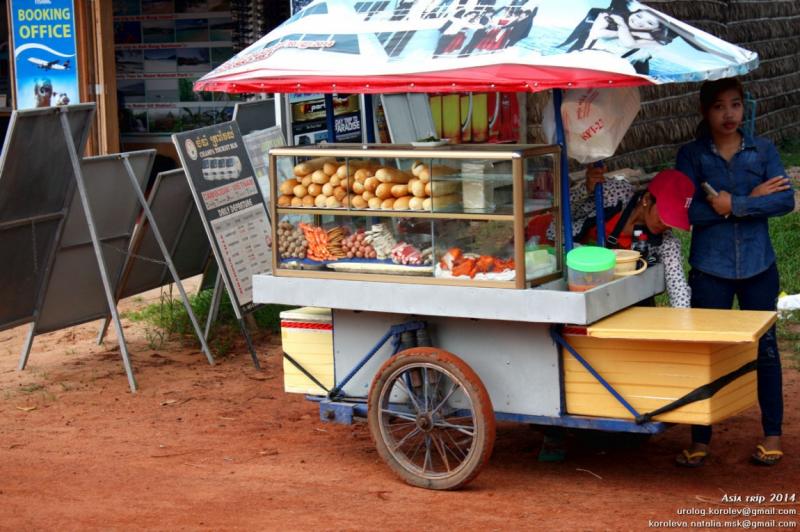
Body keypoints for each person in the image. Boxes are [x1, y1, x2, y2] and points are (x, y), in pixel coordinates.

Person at [674, 77, 795, 467]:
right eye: (719, 106)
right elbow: (686, 212)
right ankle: (701, 439)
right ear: (704, 111)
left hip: (760, 265)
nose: (729, 114)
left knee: (767, 348)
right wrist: (743, 201)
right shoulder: (691, 156)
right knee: (708, 351)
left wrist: (738, 204)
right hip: (711, 268)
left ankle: (772, 434)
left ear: (744, 108)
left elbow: (785, 202)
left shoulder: (762, 151)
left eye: (736, 105)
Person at [544, 166, 694, 308]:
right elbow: (562, 213)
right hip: (573, 283)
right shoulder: (614, 194)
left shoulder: (666, 243)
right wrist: (586, 189)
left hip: (623, 300)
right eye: (663, 216)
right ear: (647, 199)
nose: (665, 225)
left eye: (672, 221)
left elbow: (679, 290)